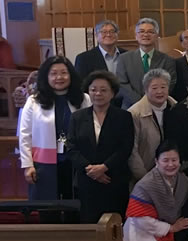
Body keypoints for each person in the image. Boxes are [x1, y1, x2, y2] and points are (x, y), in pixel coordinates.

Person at [19, 56, 90, 200]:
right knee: (47, 205)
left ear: (71, 75)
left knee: (76, 203)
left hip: (76, 160)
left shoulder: (84, 99)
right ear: (46, 76)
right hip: (44, 163)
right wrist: (27, 165)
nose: (59, 77)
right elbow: (25, 135)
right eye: (53, 73)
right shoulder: (34, 101)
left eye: (64, 73)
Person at [67, 71, 134, 223]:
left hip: (113, 179)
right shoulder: (77, 117)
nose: (98, 93)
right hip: (87, 181)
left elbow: (126, 147)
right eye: (93, 90)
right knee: (88, 223)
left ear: (112, 93)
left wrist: (104, 167)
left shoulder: (123, 117)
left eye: (103, 90)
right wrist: (90, 170)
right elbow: (71, 147)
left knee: (115, 225)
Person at [123, 142, 188, 241]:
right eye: (165, 160)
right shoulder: (146, 184)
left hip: (171, 225)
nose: (170, 165)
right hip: (144, 230)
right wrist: (171, 228)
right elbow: (140, 219)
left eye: (174, 160)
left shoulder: (183, 181)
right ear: (156, 161)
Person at [128, 69, 177, 183]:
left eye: (163, 87)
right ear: (145, 90)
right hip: (145, 175)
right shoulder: (134, 114)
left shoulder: (175, 107)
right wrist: (143, 177)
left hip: (172, 172)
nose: (159, 91)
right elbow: (132, 151)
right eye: (154, 88)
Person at [116, 18, 177, 108]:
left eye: (150, 32)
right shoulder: (124, 58)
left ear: (156, 36)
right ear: (136, 36)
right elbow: (121, 84)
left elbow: (170, 83)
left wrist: (152, 100)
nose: (145, 34)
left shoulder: (167, 60)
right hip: (131, 107)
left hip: (158, 106)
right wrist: (141, 102)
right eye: (141, 31)